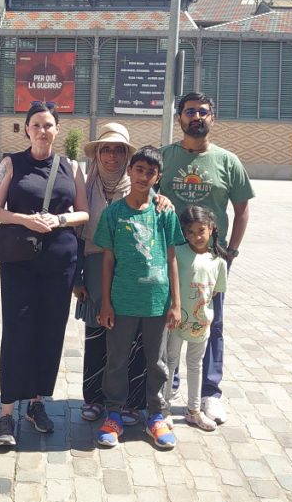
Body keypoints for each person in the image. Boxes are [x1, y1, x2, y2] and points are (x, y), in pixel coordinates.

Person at [0, 101, 89, 448]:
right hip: (19, 261)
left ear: (57, 129)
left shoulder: (71, 166)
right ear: (27, 129)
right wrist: (25, 220)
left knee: (50, 332)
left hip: (59, 262)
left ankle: (36, 403)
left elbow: (84, 213)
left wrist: (59, 219)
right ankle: (6, 412)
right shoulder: (10, 164)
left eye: (48, 125)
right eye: (36, 125)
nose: (42, 131)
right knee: (17, 331)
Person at [159, 92, 254, 425]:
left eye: (203, 111)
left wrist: (231, 252)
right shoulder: (164, 158)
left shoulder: (228, 161)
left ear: (213, 117)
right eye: (189, 111)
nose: (196, 116)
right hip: (170, 257)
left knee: (211, 322)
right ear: (179, 118)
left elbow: (242, 210)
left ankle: (210, 394)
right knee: (168, 324)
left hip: (210, 261)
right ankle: (167, 388)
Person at [94, 146, 183, 451]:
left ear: (159, 177)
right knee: (116, 360)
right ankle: (113, 415)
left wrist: (176, 303)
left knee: (157, 362)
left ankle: (156, 415)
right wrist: (106, 302)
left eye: (151, 172)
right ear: (130, 171)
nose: (144, 177)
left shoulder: (164, 212)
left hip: (157, 302)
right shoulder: (113, 213)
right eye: (139, 170)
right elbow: (108, 259)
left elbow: (171, 258)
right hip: (122, 301)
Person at [74, 123, 146, 426]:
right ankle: (93, 397)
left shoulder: (140, 186)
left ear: (127, 156)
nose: (112, 156)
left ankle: (131, 401)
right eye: (106, 150)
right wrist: (76, 277)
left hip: (130, 270)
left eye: (119, 150)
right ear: (97, 154)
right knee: (97, 333)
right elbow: (76, 234)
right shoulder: (86, 186)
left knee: (132, 335)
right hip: (94, 265)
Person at [165, 206, 231, 431]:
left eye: (201, 230)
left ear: (211, 228)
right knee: (171, 361)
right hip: (176, 320)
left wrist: (202, 314)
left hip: (201, 323)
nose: (196, 237)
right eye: (190, 232)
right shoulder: (177, 253)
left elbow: (214, 293)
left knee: (195, 364)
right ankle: (164, 408)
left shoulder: (219, 261)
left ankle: (193, 410)